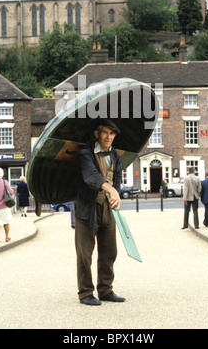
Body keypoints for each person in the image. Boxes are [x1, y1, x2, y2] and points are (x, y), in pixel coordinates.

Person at [75, 119, 125, 306]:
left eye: (112, 134)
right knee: (84, 254)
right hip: (87, 209)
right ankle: (86, 293)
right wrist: (110, 189)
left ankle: (105, 290)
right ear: (97, 134)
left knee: (109, 252)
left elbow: (117, 176)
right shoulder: (85, 153)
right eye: (105, 133)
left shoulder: (115, 155)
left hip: (108, 208)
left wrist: (116, 193)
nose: (109, 137)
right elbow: (90, 176)